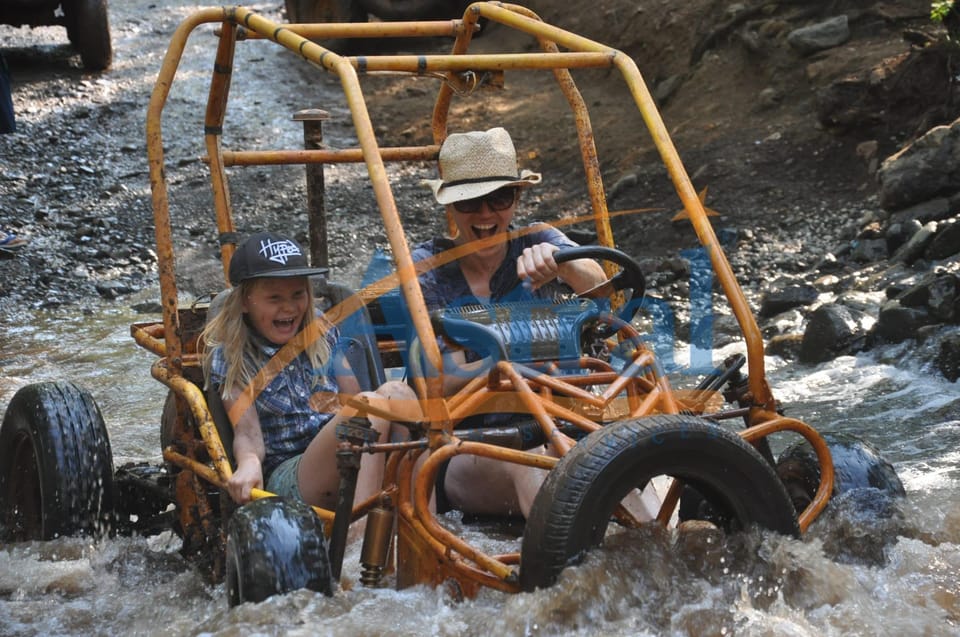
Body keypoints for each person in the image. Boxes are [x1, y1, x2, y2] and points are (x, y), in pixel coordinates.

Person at [413, 128, 661, 520]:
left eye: (499, 198)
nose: (485, 214)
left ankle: (660, 558)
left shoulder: (538, 240)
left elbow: (604, 293)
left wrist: (565, 263)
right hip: (475, 444)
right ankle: (574, 575)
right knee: (539, 467)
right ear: (451, 205)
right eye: (470, 201)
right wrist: (508, 355)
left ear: (517, 197)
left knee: (630, 469)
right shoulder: (430, 269)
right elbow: (436, 380)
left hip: (569, 425)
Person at [201, 231, 417, 510]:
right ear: (244, 302)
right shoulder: (233, 357)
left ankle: (423, 522)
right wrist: (248, 464)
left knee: (400, 394)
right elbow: (247, 434)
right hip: (291, 474)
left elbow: (353, 399)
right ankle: (357, 538)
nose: (289, 307)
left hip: (346, 451)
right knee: (371, 407)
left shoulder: (321, 333)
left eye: (298, 294)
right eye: (274, 297)